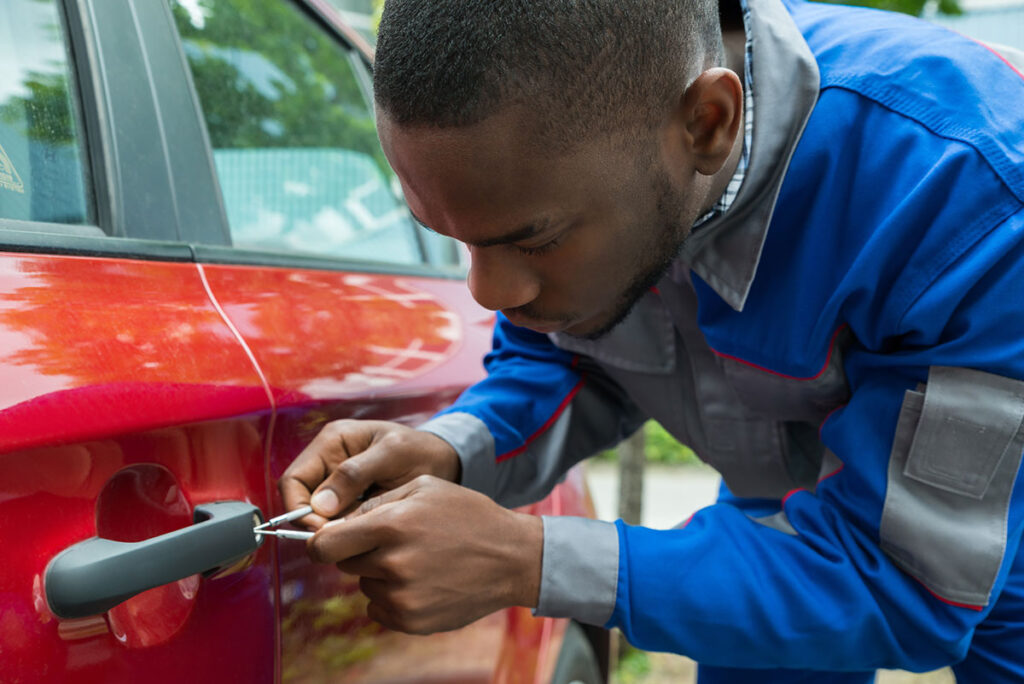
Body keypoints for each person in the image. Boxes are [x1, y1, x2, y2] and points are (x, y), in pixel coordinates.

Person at [280, 0, 1024, 680]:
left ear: (707, 124)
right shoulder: (596, 157)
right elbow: (566, 354)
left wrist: (532, 561)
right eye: (457, 242)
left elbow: (900, 583)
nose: (490, 293)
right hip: (780, 521)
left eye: (530, 241)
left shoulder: (968, 198)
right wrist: (455, 449)